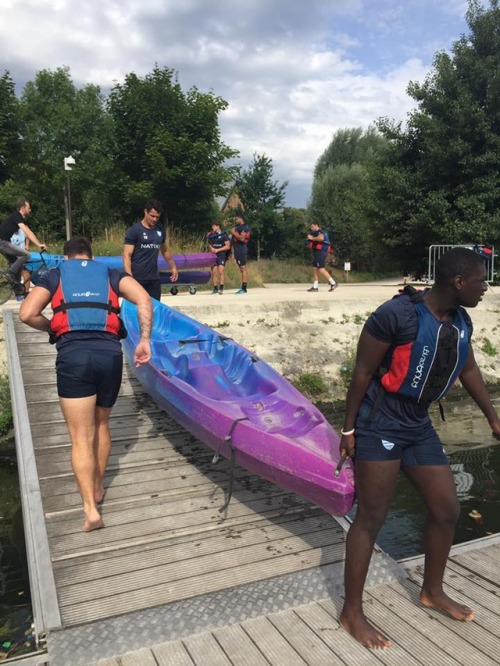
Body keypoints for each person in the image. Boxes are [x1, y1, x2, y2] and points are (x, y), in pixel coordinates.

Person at [338, 247, 500, 650]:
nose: (487, 287)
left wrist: (493, 418)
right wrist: (348, 430)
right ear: (459, 282)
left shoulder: (461, 321)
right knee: (372, 516)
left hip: (418, 423)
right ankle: (351, 612)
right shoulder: (396, 315)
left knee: (447, 508)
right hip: (380, 421)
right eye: (482, 280)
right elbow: (361, 373)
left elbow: (467, 368)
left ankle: (432, 590)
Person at [19, 237, 153, 533]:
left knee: (81, 436)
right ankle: (97, 488)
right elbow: (144, 299)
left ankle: (90, 510)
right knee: (102, 425)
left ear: (66, 257)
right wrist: (144, 341)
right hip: (109, 356)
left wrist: (53, 328)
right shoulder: (110, 273)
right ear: (91, 256)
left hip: (74, 357)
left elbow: (26, 313)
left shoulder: (55, 274)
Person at [123, 199, 178, 300]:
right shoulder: (134, 230)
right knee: (137, 311)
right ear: (146, 212)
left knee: (154, 310)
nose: (155, 219)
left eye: (157, 217)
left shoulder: (160, 231)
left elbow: (165, 251)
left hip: (154, 279)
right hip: (137, 278)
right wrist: (129, 276)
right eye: (152, 216)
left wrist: (173, 267)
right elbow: (127, 255)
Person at [0, 199, 47, 296]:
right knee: (26, 255)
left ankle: (19, 291)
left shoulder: (20, 218)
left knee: (18, 266)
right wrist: (39, 245)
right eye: (28, 208)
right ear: (23, 208)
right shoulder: (17, 216)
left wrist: (38, 242)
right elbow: (27, 232)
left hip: (4, 242)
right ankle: (10, 273)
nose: (30, 210)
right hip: (2, 242)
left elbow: (30, 232)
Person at [306, 222, 337, 292]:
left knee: (321, 268)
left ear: (316, 226)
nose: (311, 228)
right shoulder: (319, 232)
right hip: (317, 252)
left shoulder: (320, 232)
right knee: (315, 268)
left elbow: (321, 238)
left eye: (312, 226)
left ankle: (333, 283)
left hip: (321, 251)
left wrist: (312, 238)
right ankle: (315, 286)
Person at [206, 222, 231, 294]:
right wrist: (212, 249)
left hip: (221, 254)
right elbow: (209, 243)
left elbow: (228, 246)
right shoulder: (211, 235)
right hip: (213, 255)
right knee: (214, 272)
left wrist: (218, 250)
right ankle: (215, 288)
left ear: (218, 226)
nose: (212, 228)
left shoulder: (223, 235)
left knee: (221, 271)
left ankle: (221, 288)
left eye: (214, 226)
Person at [230, 213, 251, 294]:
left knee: (243, 268)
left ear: (240, 218)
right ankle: (243, 287)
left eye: (236, 219)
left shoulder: (245, 227)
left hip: (241, 249)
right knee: (241, 268)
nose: (235, 221)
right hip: (236, 250)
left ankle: (244, 288)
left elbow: (242, 238)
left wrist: (233, 232)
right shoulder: (237, 227)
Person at [10, 227, 31, 301]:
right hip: (13, 257)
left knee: (26, 273)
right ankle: (18, 294)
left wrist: (27, 245)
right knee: (15, 277)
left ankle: (26, 293)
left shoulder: (22, 231)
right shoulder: (8, 233)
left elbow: (28, 236)